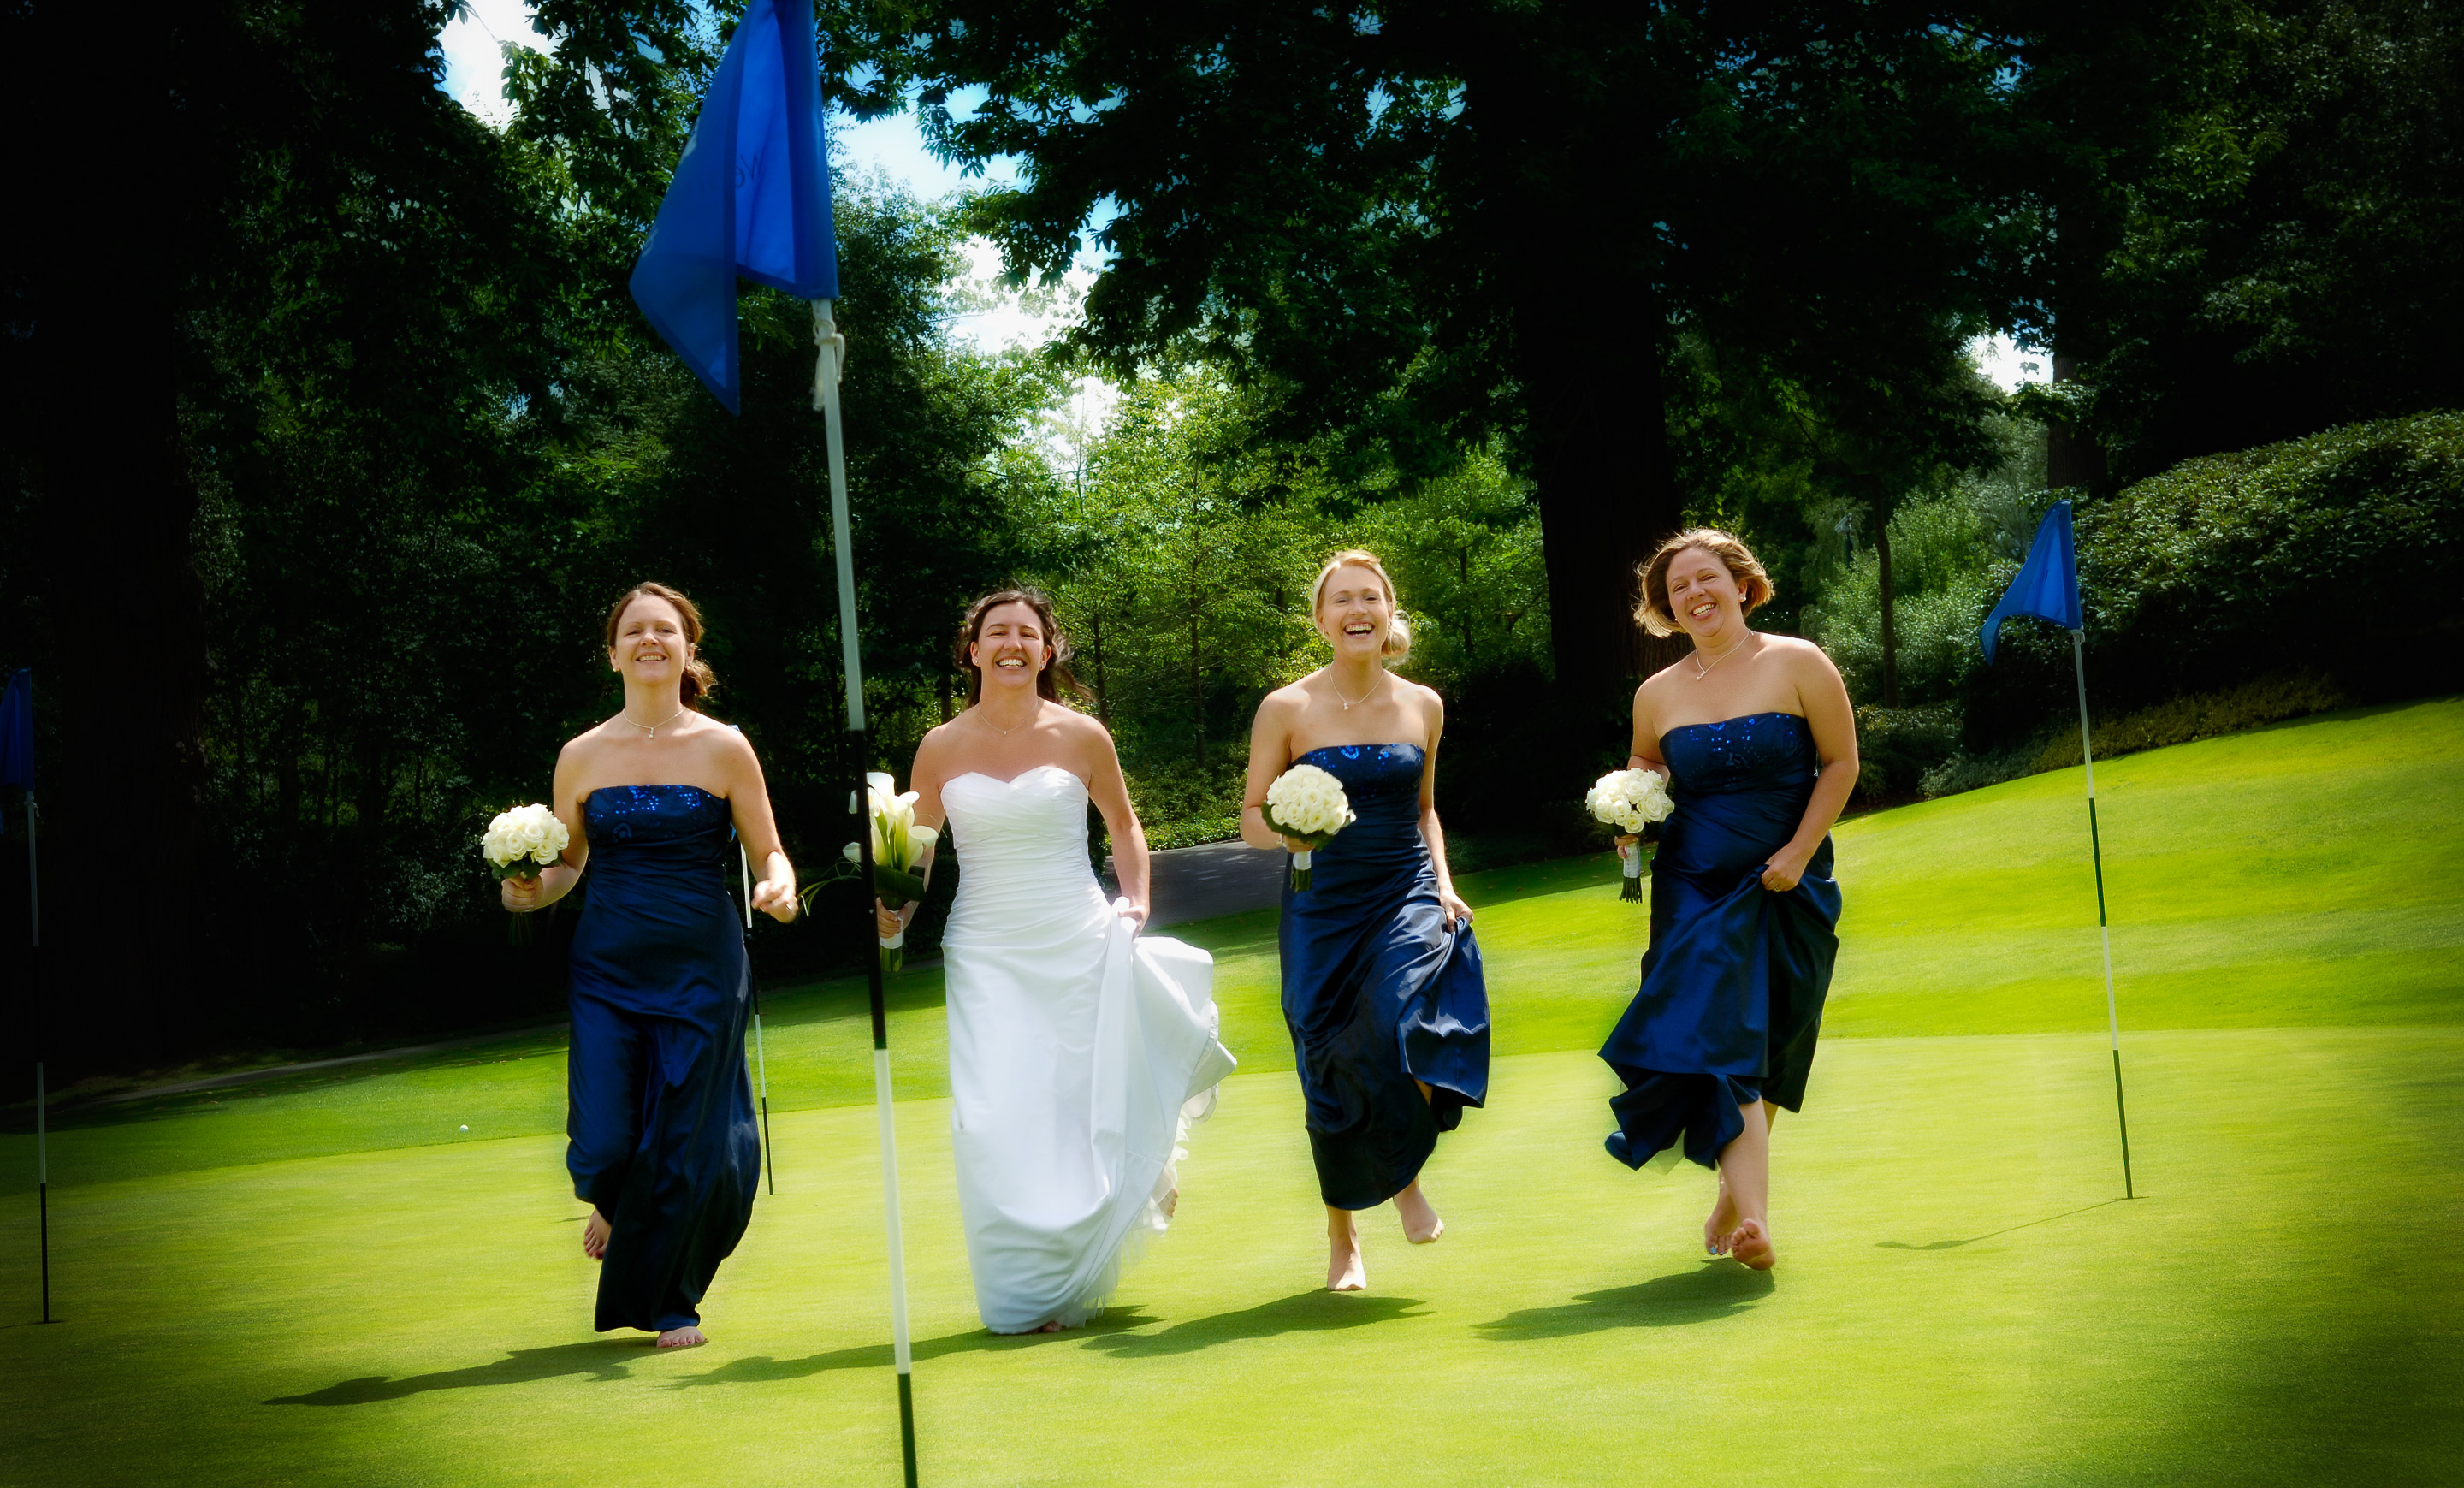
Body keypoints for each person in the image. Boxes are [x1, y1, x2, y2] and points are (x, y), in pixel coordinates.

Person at [887, 589, 1235, 1334]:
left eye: (1027, 634)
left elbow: (1124, 825)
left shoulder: (1082, 735)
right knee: (994, 1116)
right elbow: (917, 851)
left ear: (1047, 652)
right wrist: (896, 912)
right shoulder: (939, 746)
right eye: (996, 632)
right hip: (985, 948)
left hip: (1076, 937)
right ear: (972, 649)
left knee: (1078, 1100)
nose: (1011, 644)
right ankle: (1023, 1277)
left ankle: (1078, 1253)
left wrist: (1134, 903)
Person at [502, 582, 797, 1349]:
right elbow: (567, 865)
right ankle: (615, 1194)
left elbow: (767, 848)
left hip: (704, 962)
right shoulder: (582, 754)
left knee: (687, 1136)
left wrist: (779, 883)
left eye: (665, 630)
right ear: (613, 653)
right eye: (634, 631)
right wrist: (530, 891)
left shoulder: (724, 746)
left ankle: (674, 1300)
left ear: (687, 647)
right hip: (606, 965)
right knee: (601, 1137)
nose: (650, 641)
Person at [1599, 530, 1857, 1272]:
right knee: (1723, 1045)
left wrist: (1801, 852)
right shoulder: (1658, 693)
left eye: (1707, 578)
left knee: (1771, 1044)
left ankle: (1732, 1198)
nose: (1694, 594)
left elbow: (1840, 764)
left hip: (1790, 880)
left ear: (1742, 584)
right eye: (1678, 588)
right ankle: (1761, 1224)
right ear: (1667, 608)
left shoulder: (1799, 663)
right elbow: (1646, 766)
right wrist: (1632, 819)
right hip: (1694, 888)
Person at [1240, 549, 1490, 1293]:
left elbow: (1424, 809)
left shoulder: (1424, 704)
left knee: (1397, 1021)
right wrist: (1294, 832)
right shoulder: (1286, 708)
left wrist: (1444, 884)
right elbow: (1251, 818)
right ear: (1321, 621)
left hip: (1403, 888)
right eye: (1341, 599)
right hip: (1321, 905)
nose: (1357, 610)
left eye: (1370, 597)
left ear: (1389, 612)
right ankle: (1343, 1236)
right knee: (1329, 1059)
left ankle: (1405, 1180)